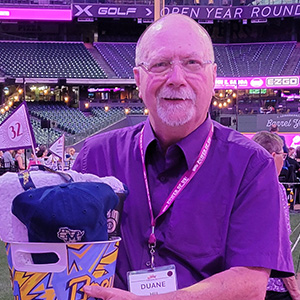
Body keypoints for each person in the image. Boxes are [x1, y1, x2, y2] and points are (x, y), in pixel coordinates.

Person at [73, 14, 293, 300]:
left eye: (192, 63)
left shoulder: (252, 166)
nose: (176, 79)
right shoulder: (95, 157)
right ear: (139, 79)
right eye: (160, 64)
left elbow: (250, 285)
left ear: (213, 77)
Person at [252, 131, 300, 300]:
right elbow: (279, 242)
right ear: (273, 156)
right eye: (283, 155)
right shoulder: (274, 187)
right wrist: (294, 290)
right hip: (274, 286)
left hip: (245, 281)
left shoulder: (240, 185)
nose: (284, 159)